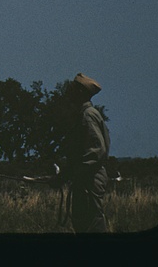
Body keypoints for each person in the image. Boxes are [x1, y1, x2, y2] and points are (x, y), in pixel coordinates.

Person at [57, 72, 111, 233]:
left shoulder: (87, 116)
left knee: (92, 227)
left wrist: (71, 175)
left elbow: (96, 152)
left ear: (81, 92)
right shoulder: (85, 114)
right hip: (86, 179)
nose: (69, 91)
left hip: (90, 180)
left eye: (72, 88)